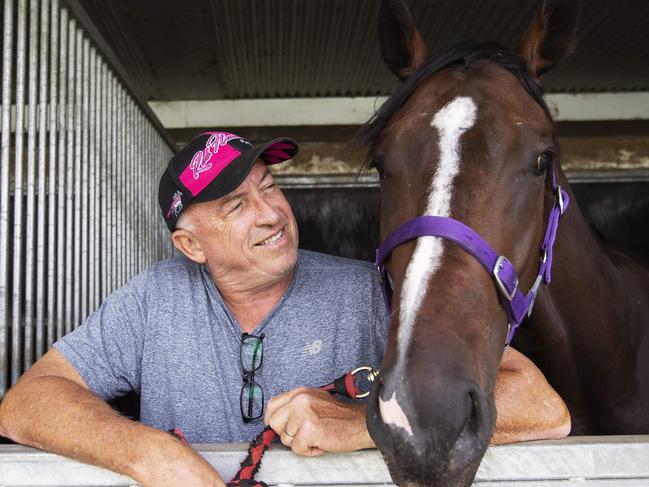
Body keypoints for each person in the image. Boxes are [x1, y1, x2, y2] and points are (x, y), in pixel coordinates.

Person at [0, 131, 570, 487]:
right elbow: (26, 402)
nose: (272, 213)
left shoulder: (370, 292)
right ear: (191, 245)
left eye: (269, 186)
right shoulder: (153, 300)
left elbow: (542, 408)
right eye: (236, 205)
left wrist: (368, 425)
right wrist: (149, 454)